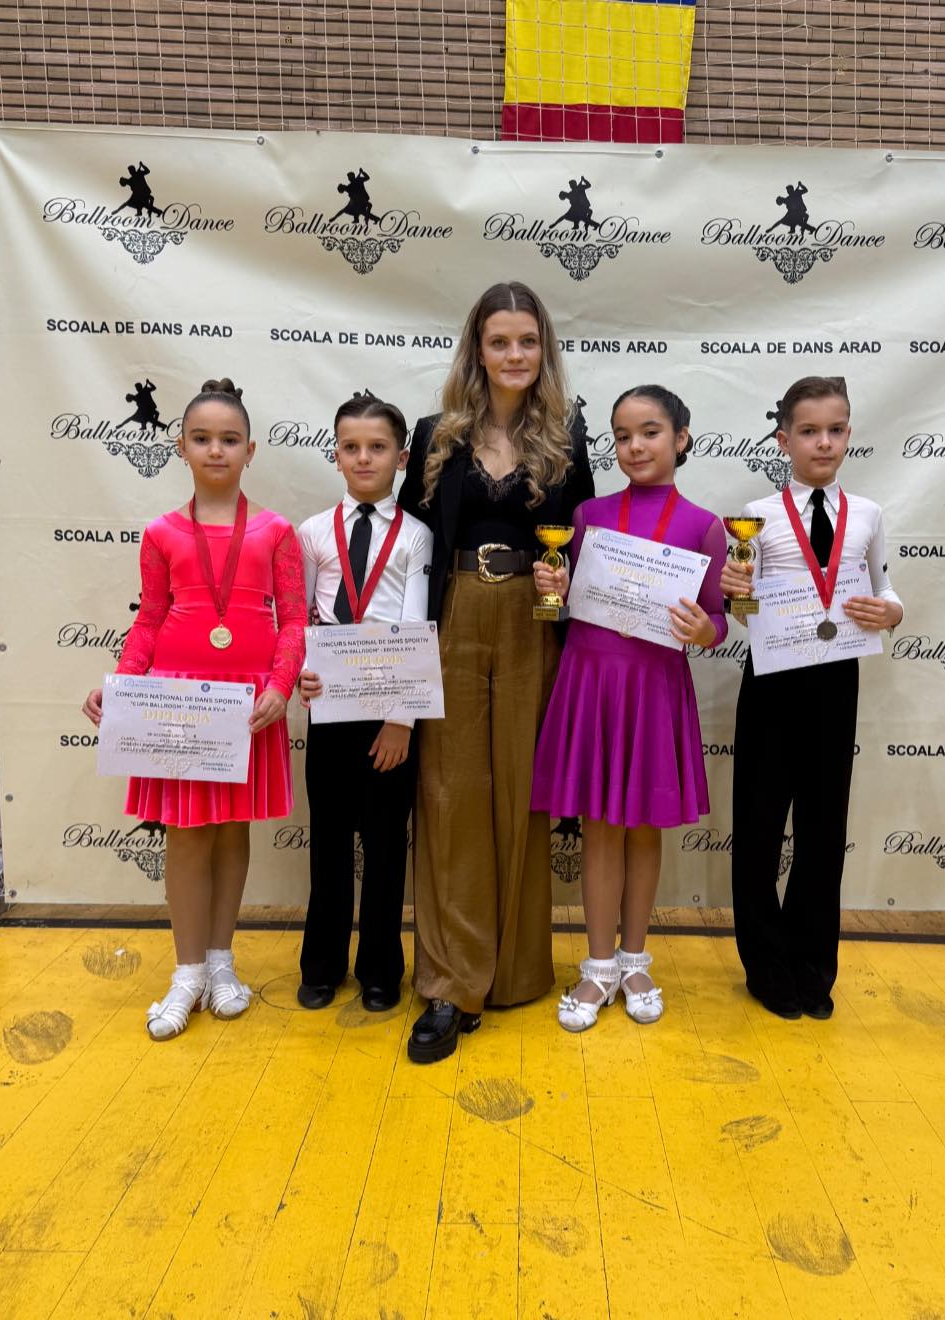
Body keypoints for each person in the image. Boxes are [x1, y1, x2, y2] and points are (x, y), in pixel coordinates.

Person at [397, 280, 594, 1063]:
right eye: (499, 341)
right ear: (476, 350)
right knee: (450, 797)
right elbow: (408, 550)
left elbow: (583, 545)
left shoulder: (568, 440)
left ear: (544, 350)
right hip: (452, 615)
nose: (514, 355)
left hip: (532, 626)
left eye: (527, 341)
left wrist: (562, 581)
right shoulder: (434, 434)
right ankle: (451, 983)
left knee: (520, 792)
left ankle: (513, 972)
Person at [82, 378, 306, 1040]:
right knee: (185, 834)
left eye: (229, 439)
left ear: (250, 450)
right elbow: (150, 619)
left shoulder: (275, 531)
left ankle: (221, 962)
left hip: (246, 704)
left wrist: (280, 685)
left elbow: (294, 621)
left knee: (232, 831)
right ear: (180, 446)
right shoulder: (161, 533)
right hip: (176, 703)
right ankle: (186, 973)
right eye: (202, 438)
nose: (215, 450)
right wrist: (120, 683)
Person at [530, 385, 727, 1030]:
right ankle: (597, 966)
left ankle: (635, 958)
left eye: (650, 432)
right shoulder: (587, 515)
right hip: (591, 681)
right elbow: (566, 605)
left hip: (653, 689)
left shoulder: (705, 526)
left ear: (681, 437)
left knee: (644, 828)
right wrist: (555, 587)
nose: (635, 446)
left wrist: (707, 630)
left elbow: (719, 620)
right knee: (599, 828)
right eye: (622, 436)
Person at [722, 376, 902, 1021]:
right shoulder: (755, 517)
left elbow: (886, 588)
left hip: (836, 682)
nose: (823, 442)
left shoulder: (868, 514)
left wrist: (891, 612)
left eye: (835, 429)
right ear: (783, 440)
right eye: (808, 431)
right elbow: (742, 613)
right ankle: (765, 967)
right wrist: (737, 592)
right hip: (772, 682)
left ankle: (813, 966)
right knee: (759, 826)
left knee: (825, 829)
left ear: (849, 434)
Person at [294, 393, 433, 1013]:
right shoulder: (312, 532)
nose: (363, 458)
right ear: (335, 455)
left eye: (377, 447)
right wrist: (303, 673)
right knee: (327, 841)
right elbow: (300, 617)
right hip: (329, 708)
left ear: (401, 458)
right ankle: (321, 964)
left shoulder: (417, 537)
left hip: (389, 712)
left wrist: (402, 719)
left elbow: (415, 626)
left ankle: (380, 968)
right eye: (351, 447)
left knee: (384, 845)